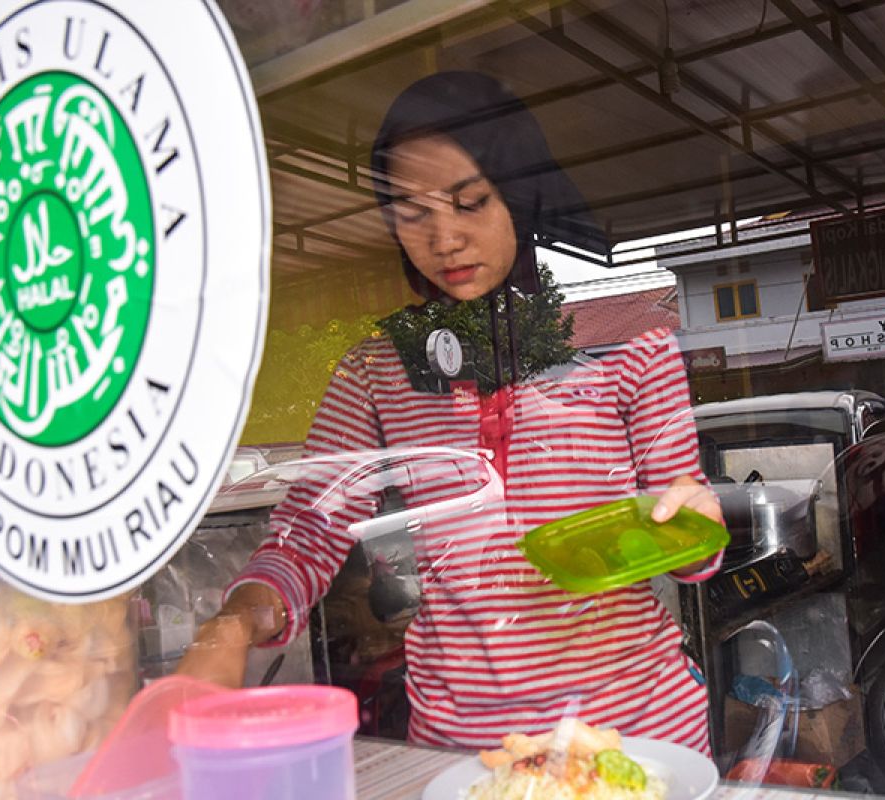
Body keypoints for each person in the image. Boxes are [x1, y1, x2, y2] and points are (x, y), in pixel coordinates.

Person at [178, 71, 725, 754]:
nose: (444, 240)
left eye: (470, 203)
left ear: (521, 200)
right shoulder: (377, 369)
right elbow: (311, 531)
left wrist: (696, 527)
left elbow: (684, 531)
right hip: (466, 751)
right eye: (413, 214)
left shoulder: (627, 337)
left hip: (636, 733)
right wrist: (230, 626)